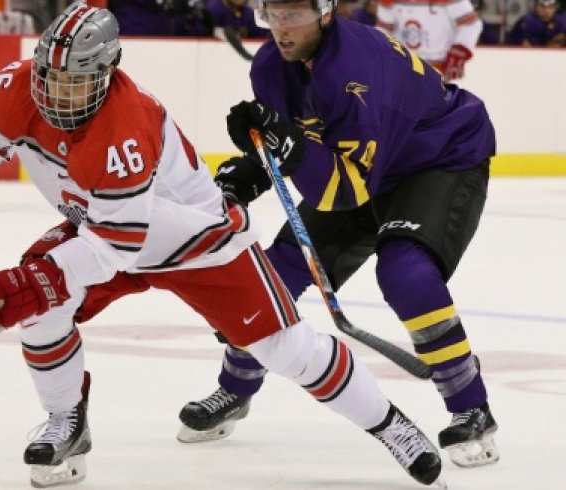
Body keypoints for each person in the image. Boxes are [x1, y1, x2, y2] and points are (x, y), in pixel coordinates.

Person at [0, 2, 444, 488]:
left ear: (106, 74)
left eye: (76, 83)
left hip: (196, 241)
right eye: (51, 80)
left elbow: (120, 243)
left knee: (284, 348)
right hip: (108, 226)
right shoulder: (18, 86)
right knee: (43, 307)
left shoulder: (124, 126)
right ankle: (66, 420)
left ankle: (390, 424)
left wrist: (41, 279)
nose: (57, 95)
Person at [176, 0, 500, 471]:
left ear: (325, 13)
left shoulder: (354, 69)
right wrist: (253, 167)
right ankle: (236, 388)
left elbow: (347, 191)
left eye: (293, 16)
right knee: (273, 277)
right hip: (368, 165)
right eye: (273, 16)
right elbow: (294, 139)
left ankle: (471, 406)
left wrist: (286, 150)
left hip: (437, 159)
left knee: (406, 273)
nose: (281, 29)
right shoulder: (272, 64)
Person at [375, 0, 482, 81]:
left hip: (439, 70)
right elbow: (384, 28)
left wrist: (458, 53)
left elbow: (471, 25)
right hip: (403, 70)